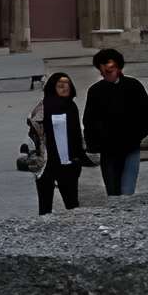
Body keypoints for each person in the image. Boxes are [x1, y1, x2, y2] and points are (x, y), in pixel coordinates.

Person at [82, 47, 148, 197]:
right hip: (108, 151)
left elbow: (147, 116)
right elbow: (89, 121)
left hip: (130, 148)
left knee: (127, 192)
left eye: (109, 71)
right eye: (102, 72)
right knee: (113, 192)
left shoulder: (133, 86)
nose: (106, 75)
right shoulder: (95, 91)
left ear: (118, 67)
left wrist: (136, 136)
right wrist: (94, 144)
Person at [34, 72, 89, 214]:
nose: (65, 88)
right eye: (60, 85)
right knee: (45, 207)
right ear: (53, 87)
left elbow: (77, 135)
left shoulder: (71, 107)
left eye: (68, 84)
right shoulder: (43, 107)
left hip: (68, 163)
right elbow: (34, 130)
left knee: (72, 205)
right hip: (47, 163)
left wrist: (79, 158)